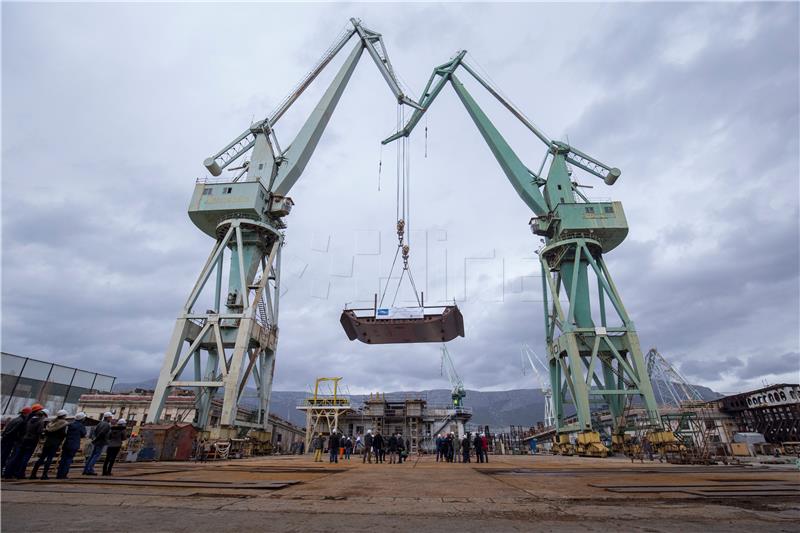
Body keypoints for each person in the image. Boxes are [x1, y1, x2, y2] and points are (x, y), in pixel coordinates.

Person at [4, 404, 47, 479]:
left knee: (17, 457)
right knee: (22, 457)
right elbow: (38, 432)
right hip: (28, 441)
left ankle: (11, 472)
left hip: (23, 440)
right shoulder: (38, 421)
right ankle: (18, 473)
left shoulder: (28, 418)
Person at [30, 409, 69, 479]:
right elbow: (63, 434)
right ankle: (44, 475)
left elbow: (46, 433)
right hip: (55, 443)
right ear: (64, 416)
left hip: (47, 442)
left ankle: (33, 473)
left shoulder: (52, 423)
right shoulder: (63, 423)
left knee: (41, 458)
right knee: (49, 459)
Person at [56, 412, 86, 479]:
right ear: (82, 419)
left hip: (66, 444)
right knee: (68, 460)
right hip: (74, 445)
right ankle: (64, 475)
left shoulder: (70, 424)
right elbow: (84, 434)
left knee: (63, 459)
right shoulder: (81, 426)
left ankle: (59, 474)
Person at [1, 406, 31, 471]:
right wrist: (18, 439)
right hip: (9, 440)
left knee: (3, 454)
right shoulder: (21, 421)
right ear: (26, 413)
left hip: (5, 439)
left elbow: (7, 430)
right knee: (4, 456)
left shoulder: (15, 419)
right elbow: (14, 431)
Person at [83, 411, 112, 476]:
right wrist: (97, 439)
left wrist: (94, 439)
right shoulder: (107, 425)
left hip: (96, 441)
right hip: (100, 442)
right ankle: (90, 470)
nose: (111, 418)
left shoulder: (100, 423)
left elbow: (95, 432)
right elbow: (102, 433)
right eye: (110, 417)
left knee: (92, 455)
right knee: (96, 456)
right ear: (108, 417)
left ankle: (86, 469)